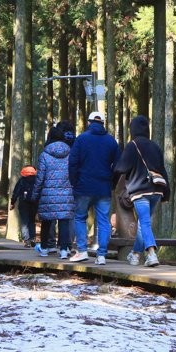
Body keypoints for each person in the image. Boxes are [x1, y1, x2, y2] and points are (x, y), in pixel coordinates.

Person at [112, 115, 169, 267]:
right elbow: (162, 170)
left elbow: (121, 168)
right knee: (143, 224)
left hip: (140, 191)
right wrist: (166, 193)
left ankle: (151, 253)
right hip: (157, 191)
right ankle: (135, 255)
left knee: (144, 222)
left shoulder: (133, 145)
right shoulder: (155, 146)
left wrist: (113, 182)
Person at [68, 111, 119, 265]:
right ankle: (102, 255)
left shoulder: (81, 139)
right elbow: (118, 166)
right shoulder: (111, 141)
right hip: (103, 187)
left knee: (80, 217)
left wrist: (74, 181)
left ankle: (82, 251)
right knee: (103, 221)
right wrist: (112, 183)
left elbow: (72, 163)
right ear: (102, 123)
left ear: (89, 123)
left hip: (83, 186)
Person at [34, 126, 74, 259]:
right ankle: (64, 250)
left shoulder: (44, 155)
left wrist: (35, 194)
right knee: (64, 222)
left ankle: (44, 248)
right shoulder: (70, 153)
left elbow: (40, 178)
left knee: (46, 221)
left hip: (48, 194)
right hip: (66, 193)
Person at [10, 165, 39, 246]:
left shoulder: (21, 180)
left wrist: (13, 203)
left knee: (24, 222)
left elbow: (16, 192)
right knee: (32, 221)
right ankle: (33, 239)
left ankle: (26, 240)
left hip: (23, 203)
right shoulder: (37, 181)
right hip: (34, 203)